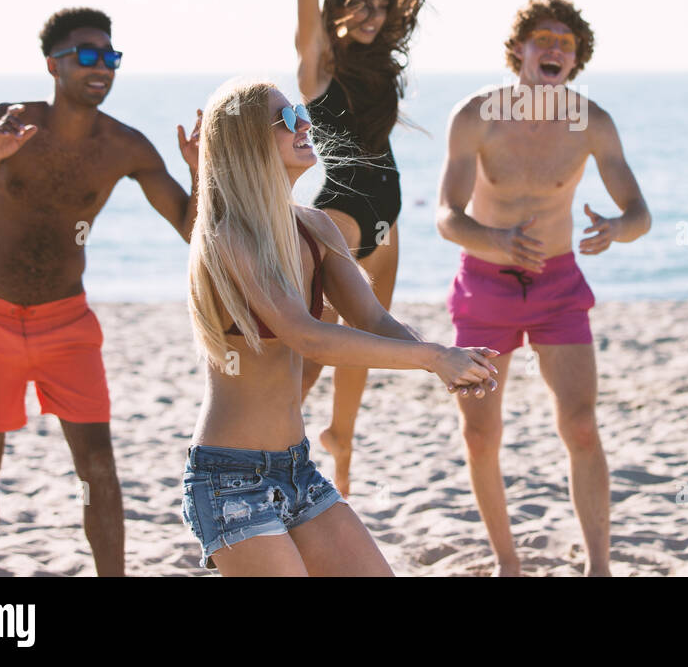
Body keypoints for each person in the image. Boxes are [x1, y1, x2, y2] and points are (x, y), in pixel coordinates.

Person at [0, 7, 202, 576]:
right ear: (54, 64)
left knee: (98, 466)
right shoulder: (7, 121)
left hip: (67, 324)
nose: (102, 67)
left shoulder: (126, 146)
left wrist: (200, 175)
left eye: (110, 57)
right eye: (87, 55)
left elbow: (192, 230)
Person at [182, 78, 498, 576]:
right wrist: (432, 357)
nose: (306, 124)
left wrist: (451, 361)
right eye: (286, 119)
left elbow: (373, 319)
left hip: (297, 470)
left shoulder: (315, 227)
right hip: (230, 479)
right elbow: (305, 334)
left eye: (300, 112)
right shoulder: (229, 238)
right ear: (247, 142)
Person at [240, 0, 471, 497]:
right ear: (336, 6)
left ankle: (339, 448)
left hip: (388, 213)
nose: (373, 13)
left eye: (381, 2)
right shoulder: (315, 61)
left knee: (369, 343)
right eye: (360, 2)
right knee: (319, 339)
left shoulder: (382, 52)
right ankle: (276, 432)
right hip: (338, 209)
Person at [436, 0, 651, 577]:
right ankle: (508, 561)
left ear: (575, 60)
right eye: (544, 39)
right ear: (520, 51)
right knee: (480, 435)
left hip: (558, 283)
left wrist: (616, 229)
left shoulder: (593, 122)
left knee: (581, 424)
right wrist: (494, 239)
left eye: (566, 43)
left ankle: (599, 566)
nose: (554, 49)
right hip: (484, 283)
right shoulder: (476, 115)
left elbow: (640, 213)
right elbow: (446, 216)